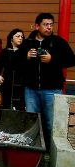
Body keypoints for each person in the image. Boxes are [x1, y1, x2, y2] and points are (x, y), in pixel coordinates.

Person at [21, 12, 75, 150]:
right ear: (37, 26)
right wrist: (25, 57)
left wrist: (53, 60)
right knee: (32, 122)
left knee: (52, 123)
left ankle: (50, 154)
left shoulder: (57, 41)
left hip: (52, 89)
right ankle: (33, 151)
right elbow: (14, 63)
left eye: (51, 24)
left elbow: (71, 59)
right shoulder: (28, 42)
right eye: (46, 24)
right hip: (31, 89)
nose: (49, 27)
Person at [0, 28, 26, 110]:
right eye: (17, 36)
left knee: (19, 106)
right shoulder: (5, 51)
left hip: (21, 82)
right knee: (6, 104)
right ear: (11, 38)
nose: (20, 38)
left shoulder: (24, 52)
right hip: (7, 82)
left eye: (22, 37)